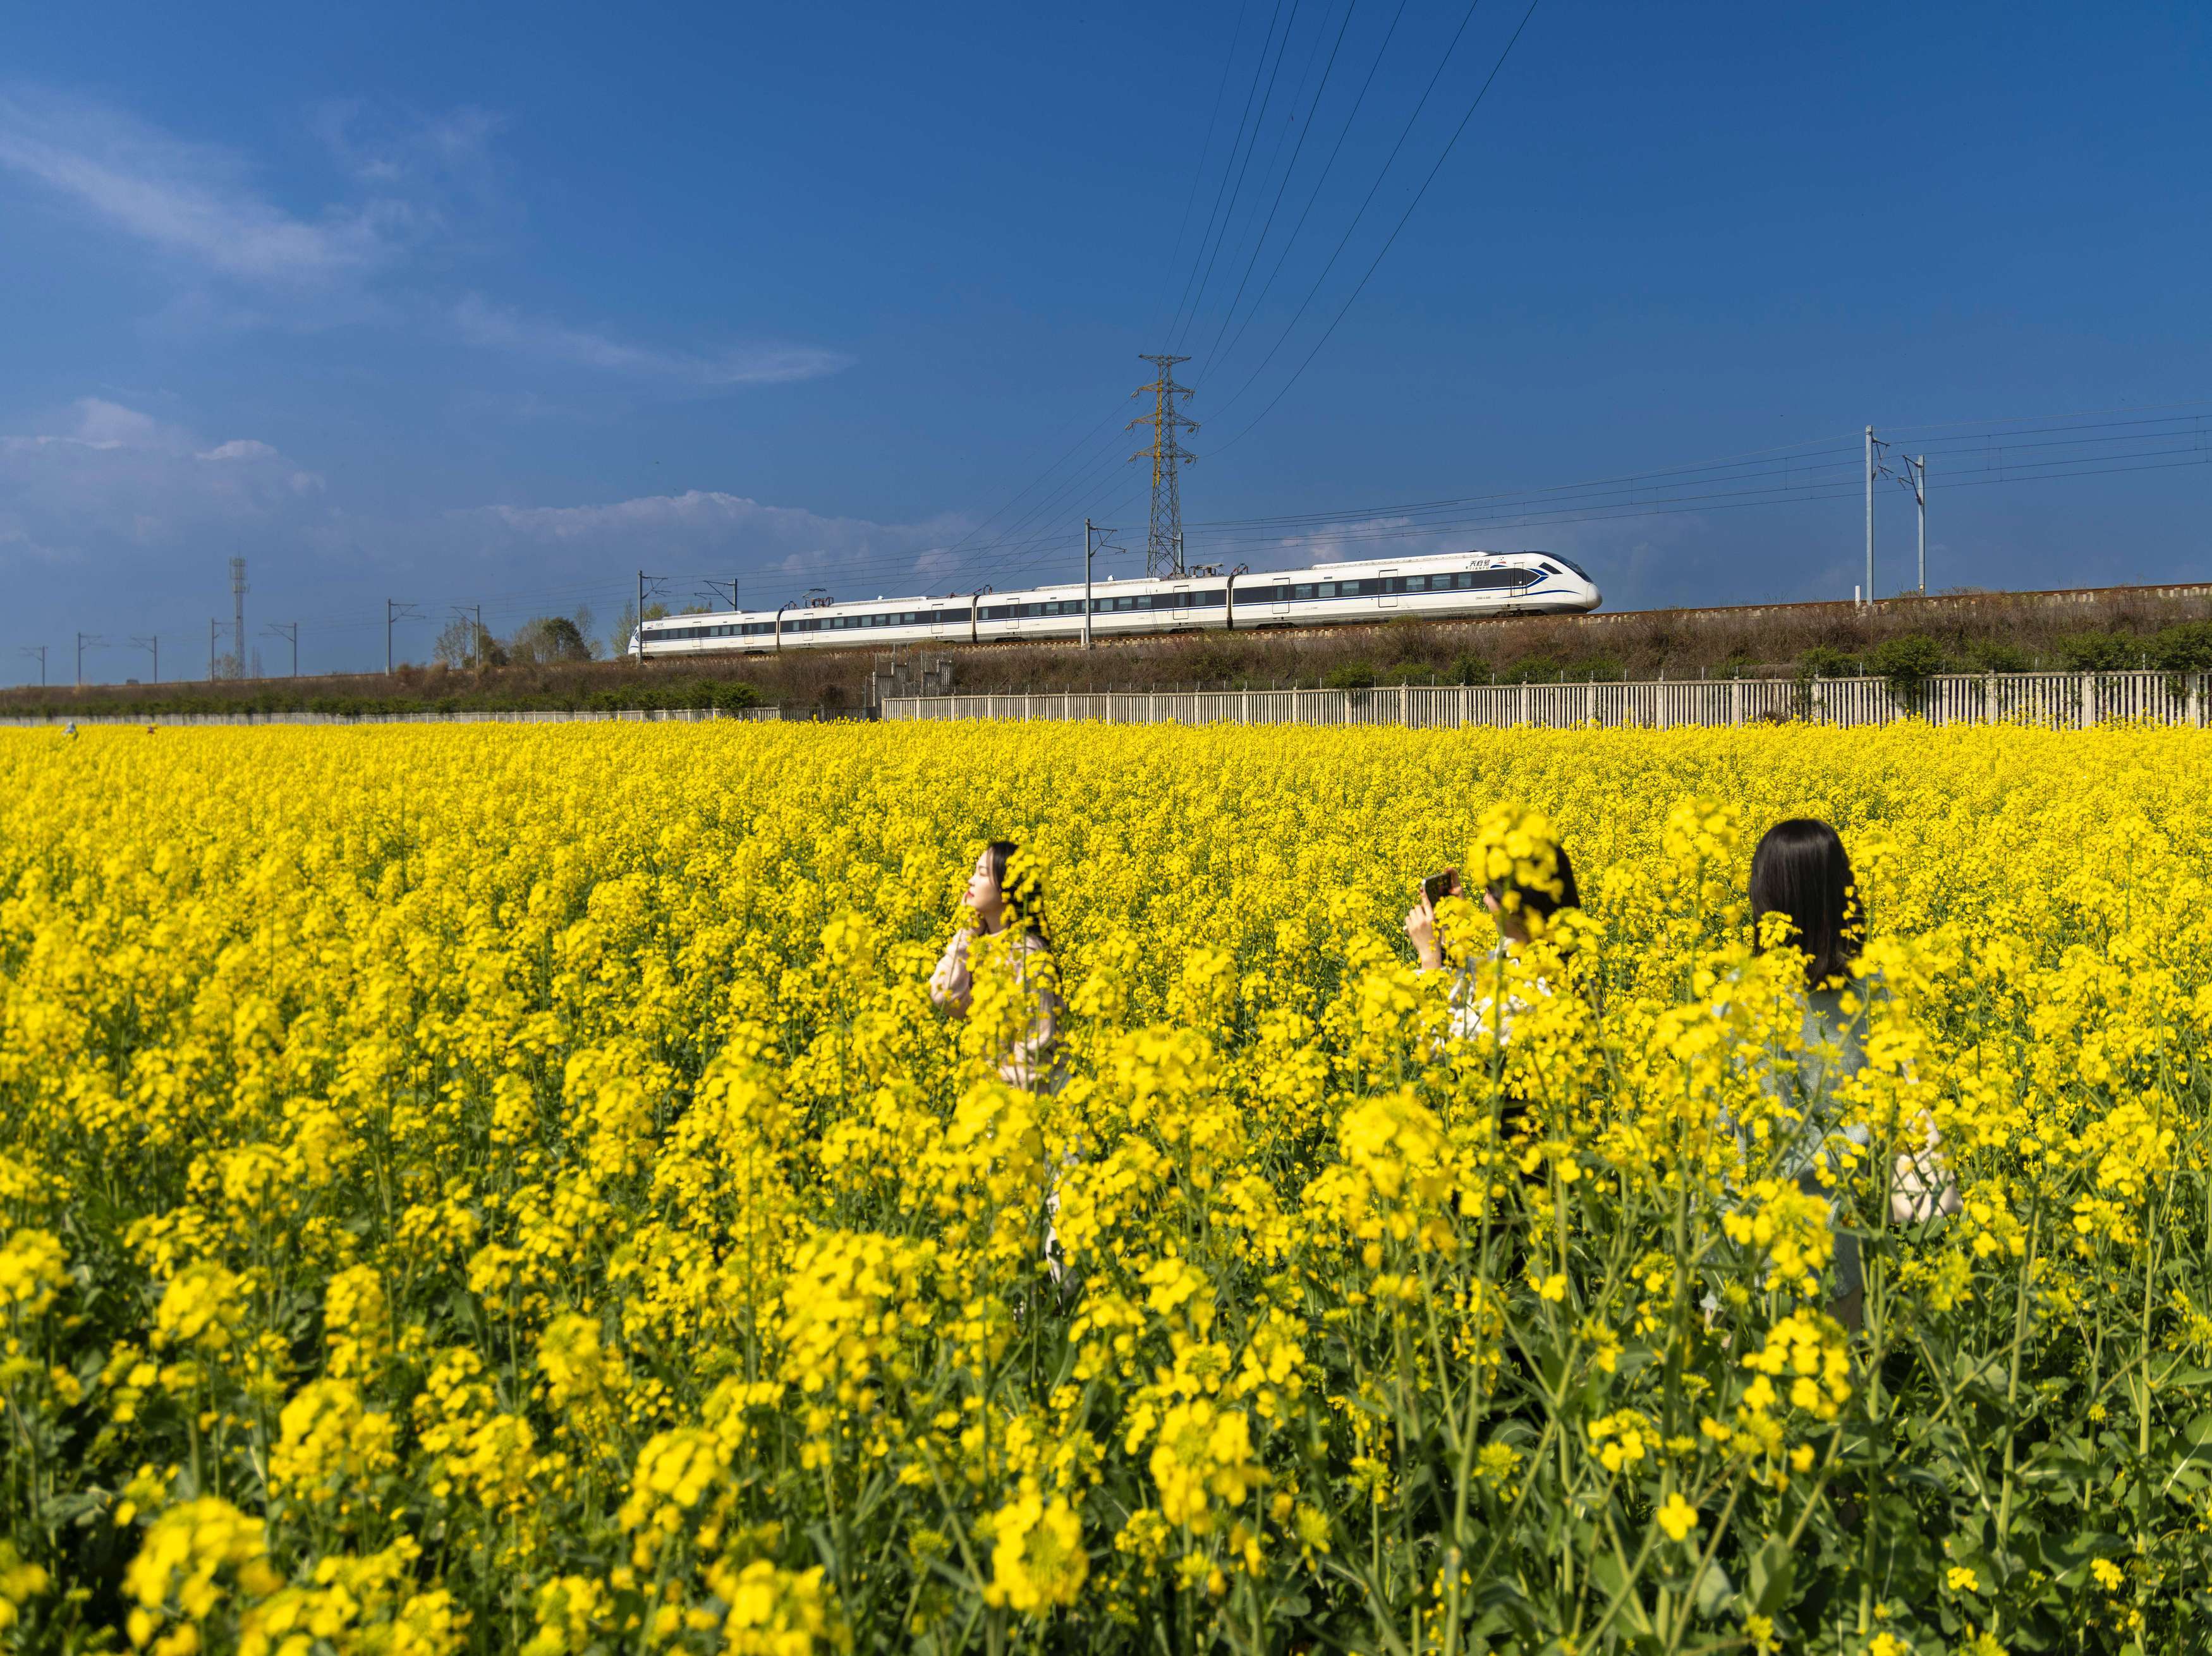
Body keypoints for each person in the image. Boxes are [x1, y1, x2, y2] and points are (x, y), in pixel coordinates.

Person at [1744, 818, 1959, 1329]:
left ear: (1765, 897)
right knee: (1837, 1393)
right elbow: (1909, 1099)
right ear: (1845, 894)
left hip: (1742, 1252)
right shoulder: (1874, 990)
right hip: (1842, 1243)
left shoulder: (1738, 998)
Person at [1404, 838, 1583, 1046]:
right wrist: (1454, 927)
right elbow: (1477, 976)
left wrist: (1430, 961)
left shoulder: (1530, 997)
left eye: (1489, 892)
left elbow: (1444, 1049)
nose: (1484, 900)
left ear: (1511, 905)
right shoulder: (1529, 950)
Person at [930, 840, 1062, 1090]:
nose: (970, 881)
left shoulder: (1028, 954)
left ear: (1007, 888)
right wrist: (966, 931)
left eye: (981, 874)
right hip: (984, 1095)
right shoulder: (979, 944)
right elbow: (944, 996)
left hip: (1017, 1103)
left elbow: (1035, 1045)